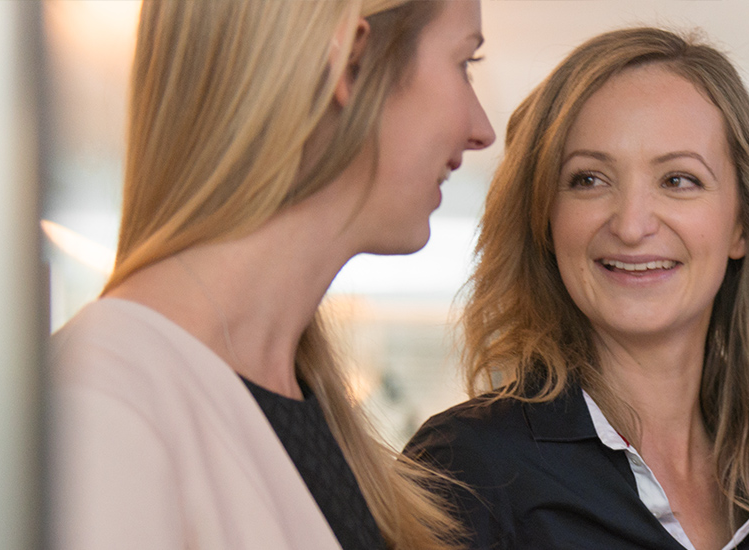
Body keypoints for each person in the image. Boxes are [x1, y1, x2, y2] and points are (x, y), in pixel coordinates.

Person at [49, 0, 495, 549]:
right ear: (349, 64)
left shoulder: (304, 400)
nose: (482, 130)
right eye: (463, 64)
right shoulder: (104, 405)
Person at [404, 28, 749, 550]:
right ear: (546, 218)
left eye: (678, 180)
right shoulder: (469, 468)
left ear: (741, 224)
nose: (631, 225)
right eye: (589, 179)